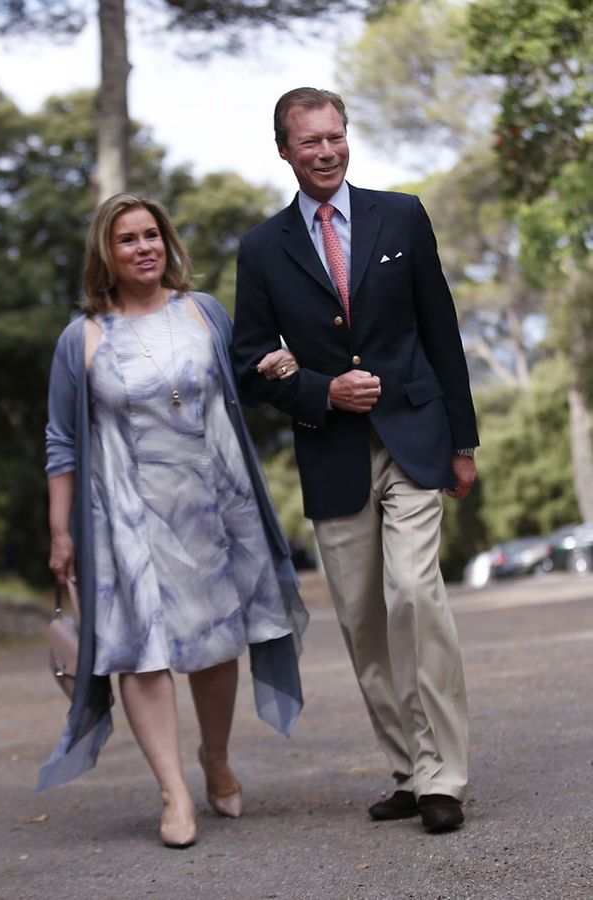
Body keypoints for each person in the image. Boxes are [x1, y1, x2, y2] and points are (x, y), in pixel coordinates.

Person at [232, 88, 479, 833]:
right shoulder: (261, 247)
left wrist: (462, 443)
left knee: (414, 594)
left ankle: (444, 776)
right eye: (309, 142)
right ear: (284, 150)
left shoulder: (400, 214)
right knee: (364, 624)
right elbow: (246, 365)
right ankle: (406, 769)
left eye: (335, 136)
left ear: (347, 138)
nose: (326, 151)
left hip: (413, 436)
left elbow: (441, 330)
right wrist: (320, 389)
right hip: (331, 451)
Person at [40, 192, 308, 849]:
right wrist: (60, 530)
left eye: (152, 235)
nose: (143, 247)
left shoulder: (203, 312)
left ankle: (214, 758)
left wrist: (275, 366)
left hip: (211, 506)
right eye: (128, 238)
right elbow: (61, 441)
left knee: (215, 643)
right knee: (139, 650)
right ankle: (172, 792)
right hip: (124, 516)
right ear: (107, 252)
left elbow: (240, 384)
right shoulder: (84, 337)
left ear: (168, 243)